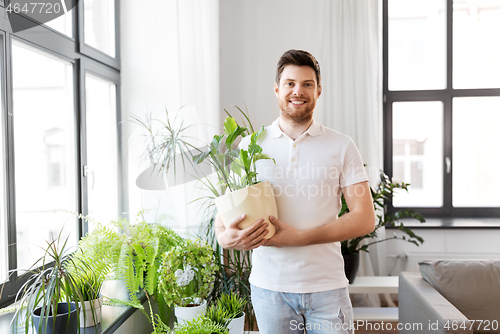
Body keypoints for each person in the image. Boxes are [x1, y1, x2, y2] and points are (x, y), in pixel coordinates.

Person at [215, 49, 376, 334]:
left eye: (307, 84)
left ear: (318, 90)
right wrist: (227, 238)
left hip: (328, 288)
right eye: (290, 83)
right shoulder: (251, 146)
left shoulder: (341, 145)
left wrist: (300, 238)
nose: (297, 91)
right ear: (277, 89)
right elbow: (222, 222)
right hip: (269, 289)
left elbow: (365, 218)